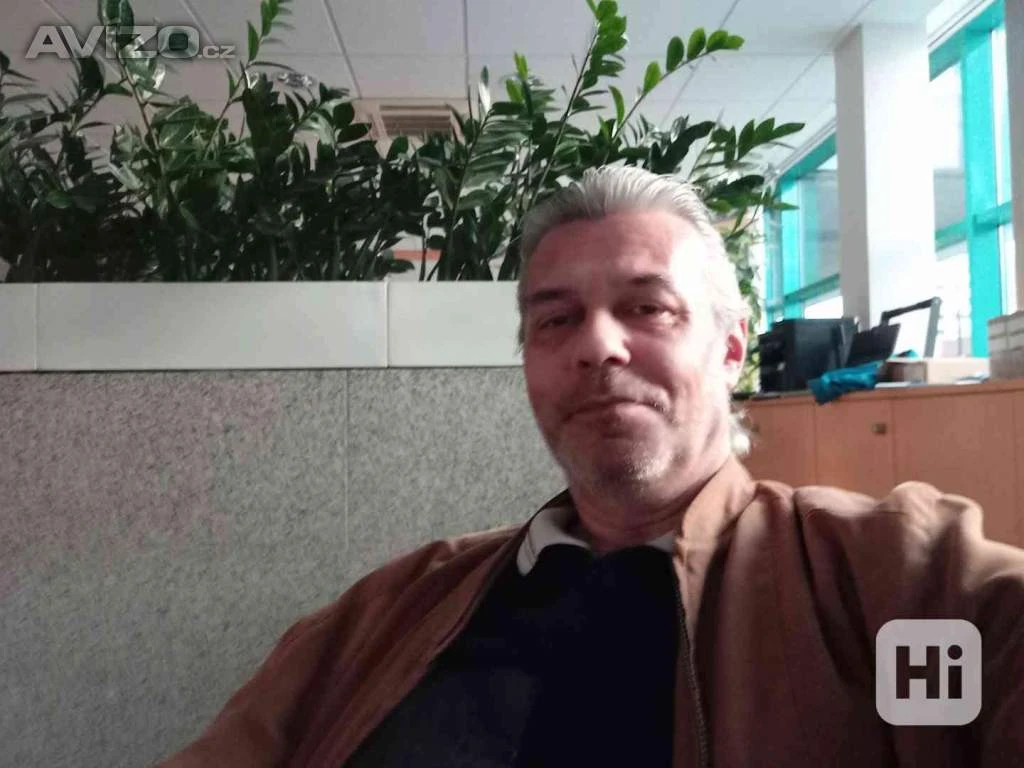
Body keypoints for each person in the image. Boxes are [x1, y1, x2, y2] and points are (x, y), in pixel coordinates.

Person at [159, 166, 1024, 768]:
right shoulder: (395, 609)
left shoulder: (885, 585)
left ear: (730, 348)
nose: (597, 346)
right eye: (556, 320)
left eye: (647, 307)